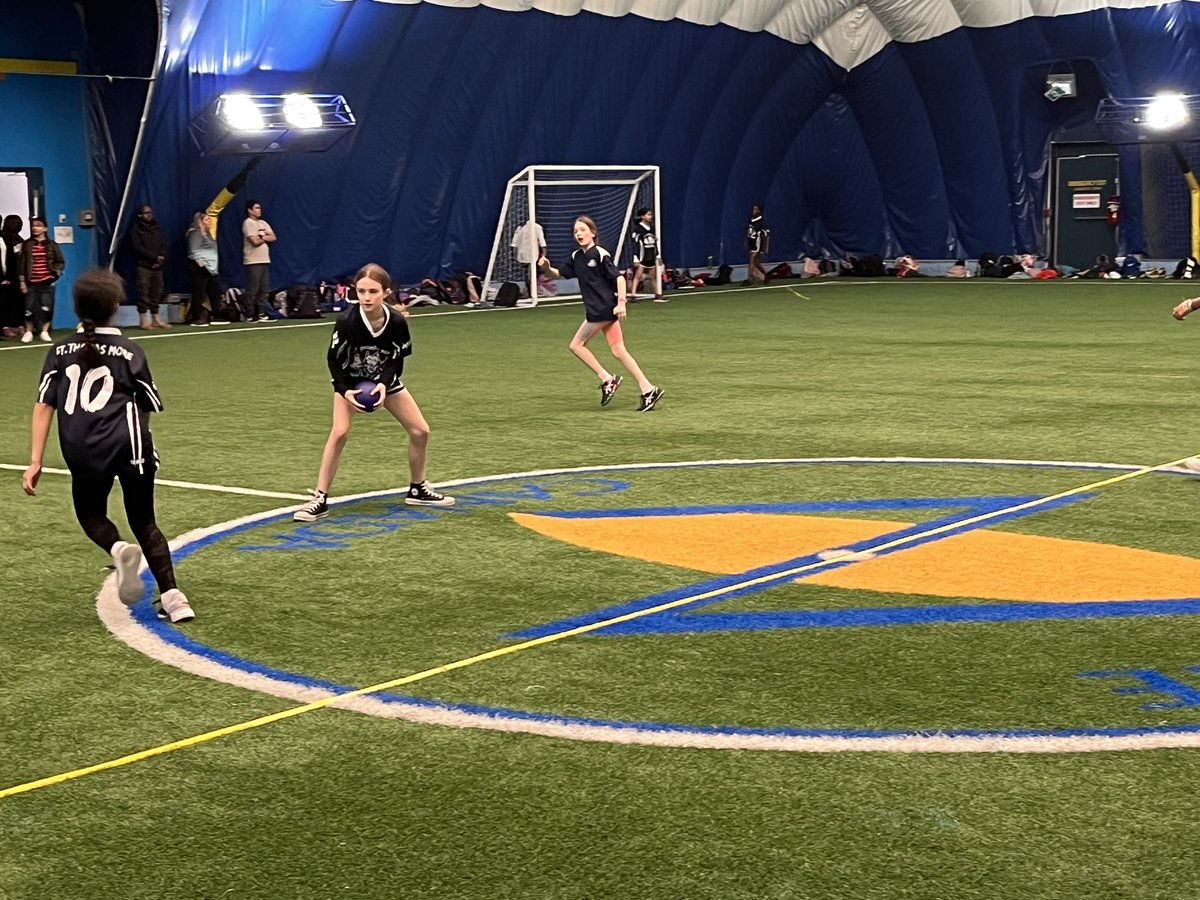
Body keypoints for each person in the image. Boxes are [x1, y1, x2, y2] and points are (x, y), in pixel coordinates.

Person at [22, 269, 194, 623]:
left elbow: (44, 405)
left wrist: (35, 460)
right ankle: (175, 599)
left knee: (90, 512)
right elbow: (149, 404)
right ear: (115, 306)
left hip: (81, 447)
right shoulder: (130, 352)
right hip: (129, 445)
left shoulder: (59, 351)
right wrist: (141, 449)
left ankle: (117, 549)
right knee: (145, 521)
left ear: (77, 308)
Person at [292, 262, 455, 522]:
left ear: (385, 292)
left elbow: (396, 360)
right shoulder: (347, 321)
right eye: (361, 291)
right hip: (350, 382)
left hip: (383, 381)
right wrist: (346, 392)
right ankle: (319, 498)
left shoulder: (397, 321)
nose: (366, 297)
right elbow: (334, 361)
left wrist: (383, 384)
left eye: (373, 291)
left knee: (420, 430)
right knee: (340, 431)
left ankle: (418, 488)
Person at [537, 215, 664, 412]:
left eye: (583, 230)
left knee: (576, 345)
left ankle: (608, 379)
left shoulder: (600, 254)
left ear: (593, 233)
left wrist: (622, 303)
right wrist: (546, 268)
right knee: (618, 351)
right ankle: (648, 389)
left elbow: (620, 279)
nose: (579, 234)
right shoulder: (576, 257)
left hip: (603, 309)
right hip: (602, 309)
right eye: (576, 231)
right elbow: (557, 274)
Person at [128, 204, 170, 329]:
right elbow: (137, 247)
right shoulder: (135, 228)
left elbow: (163, 244)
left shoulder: (156, 227)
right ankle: (143, 320)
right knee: (143, 292)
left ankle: (156, 319)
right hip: (143, 266)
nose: (149, 214)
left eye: (150, 212)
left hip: (158, 267)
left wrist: (161, 257)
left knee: (157, 292)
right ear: (140, 215)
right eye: (146, 213)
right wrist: (153, 257)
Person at [242, 199, 276, 322]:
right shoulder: (248, 223)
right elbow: (254, 242)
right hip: (252, 261)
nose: (259, 210)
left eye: (260, 208)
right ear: (250, 210)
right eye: (256, 208)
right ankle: (250, 314)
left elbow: (273, 237)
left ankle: (261, 313)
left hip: (264, 260)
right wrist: (263, 237)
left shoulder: (263, 223)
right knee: (253, 289)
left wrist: (261, 236)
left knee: (263, 289)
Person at [185, 212, 222, 326]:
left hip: (212, 269)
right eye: (207, 220)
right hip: (201, 268)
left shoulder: (208, 234)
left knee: (215, 292)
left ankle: (216, 315)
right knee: (199, 292)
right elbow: (193, 251)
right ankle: (195, 317)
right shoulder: (195, 233)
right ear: (200, 221)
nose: (210, 222)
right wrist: (201, 265)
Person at [628, 207, 665, 303]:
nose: (650, 216)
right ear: (642, 216)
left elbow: (655, 243)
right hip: (642, 256)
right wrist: (635, 257)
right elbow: (635, 243)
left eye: (651, 214)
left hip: (651, 255)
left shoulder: (652, 228)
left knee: (652, 276)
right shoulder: (638, 229)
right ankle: (633, 295)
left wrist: (657, 255)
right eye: (648, 215)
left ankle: (657, 294)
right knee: (638, 276)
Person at [0, 214, 23, 338]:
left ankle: (18, 325)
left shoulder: (19, 240)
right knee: (4, 302)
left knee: (16, 302)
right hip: (7, 276)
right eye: (13, 223)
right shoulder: (4, 238)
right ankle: (5, 327)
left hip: (15, 277)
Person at [510, 219, 546, 300]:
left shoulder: (536, 227)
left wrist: (543, 256)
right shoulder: (520, 228)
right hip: (525, 256)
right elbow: (514, 244)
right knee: (528, 275)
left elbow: (542, 243)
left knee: (530, 275)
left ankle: (531, 293)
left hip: (531, 256)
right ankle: (529, 292)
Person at [744, 204, 770, 285]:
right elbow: (748, 231)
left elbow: (766, 233)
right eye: (753, 209)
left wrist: (766, 247)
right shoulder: (751, 219)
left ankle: (749, 279)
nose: (754, 211)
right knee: (755, 261)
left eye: (756, 209)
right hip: (751, 240)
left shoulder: (761, 221)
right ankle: (767, 275)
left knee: (752, 259)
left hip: (757, 241)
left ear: (759, 211)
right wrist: (746, 240)